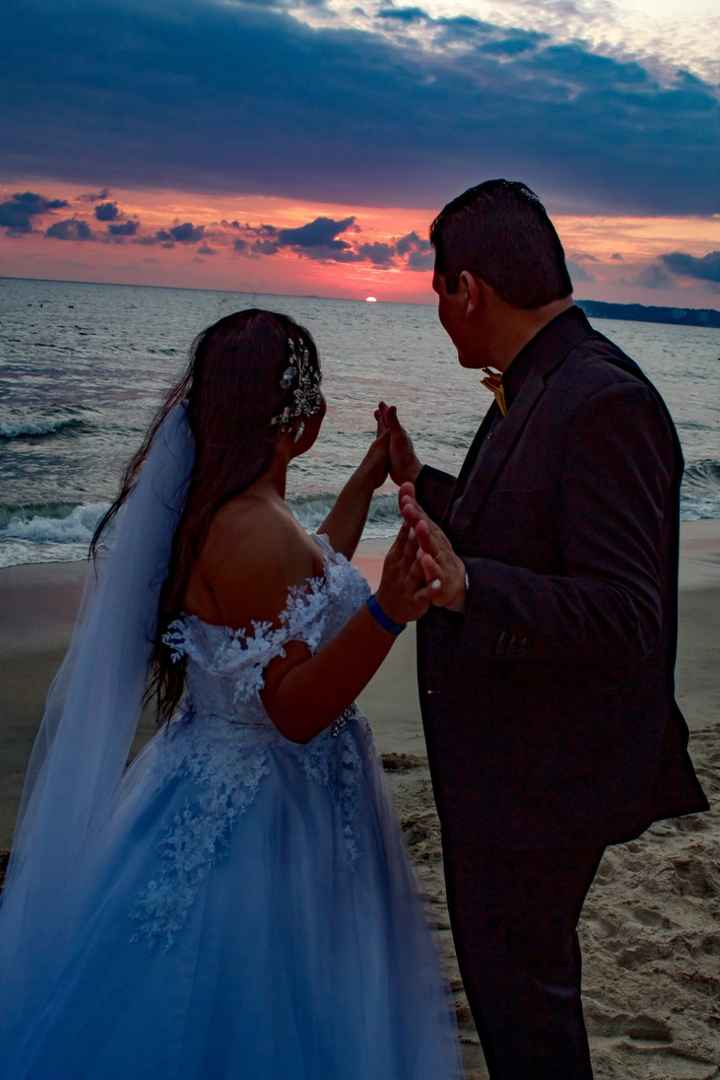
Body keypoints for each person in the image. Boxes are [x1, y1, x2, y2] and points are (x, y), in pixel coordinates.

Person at [0, 310, 460, 1079]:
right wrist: (389, 612)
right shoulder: (253, 530)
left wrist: (369, 475)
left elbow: (310, 582)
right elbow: (295, 711)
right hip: (269, 810)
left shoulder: (232, 511)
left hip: (215, 773)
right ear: (296, 416)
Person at [377, 180, 709, 1080]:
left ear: (468, 289)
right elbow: (526, 523)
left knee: (525, 1010)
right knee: (514, 996)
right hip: (514, 772)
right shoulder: (545, 380)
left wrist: (468, 586)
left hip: (543, 783)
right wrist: (424, 481)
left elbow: (625, 612)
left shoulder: (602, 400)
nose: (439, 315)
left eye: (437, 290)